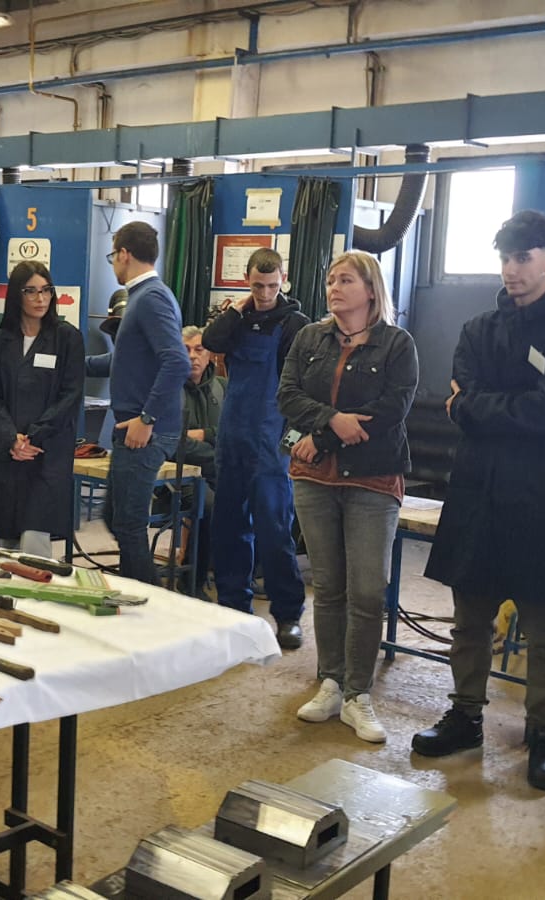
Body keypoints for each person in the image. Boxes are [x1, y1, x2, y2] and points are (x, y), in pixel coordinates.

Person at [412, 209, 545, 792]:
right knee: (470, 620)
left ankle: (543, 734)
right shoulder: (477, 330)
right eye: (505, 258)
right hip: (480, 488)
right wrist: (514, 410)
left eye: (523, 258)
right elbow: (518, 409)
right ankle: (465, 716)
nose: (511, 270)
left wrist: (479, 407)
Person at [279, 252, 419, 742]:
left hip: (372, 480)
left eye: (346, 280)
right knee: (329, 587)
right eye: (331, 279)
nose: (334, 288)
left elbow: (392, 408)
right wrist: (331, 421)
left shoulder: (397, 344)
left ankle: (359, 694)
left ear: (370, 290)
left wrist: (323, 435)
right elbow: (288, 395)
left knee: (366, 590)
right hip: (315, 480)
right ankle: (331, 682)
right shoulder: (309, 338)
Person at [200, 249, 312, 648]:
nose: (265, 294)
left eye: (271, 286)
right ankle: (234, 607)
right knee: (229, 526)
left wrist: (291, 444)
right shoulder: (238, 319)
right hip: (232, 436)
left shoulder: (296, 325)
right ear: (246, 282)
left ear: (284, 280)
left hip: (271, 441)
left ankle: (288, 614)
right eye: (257, 286)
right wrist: (238, 309)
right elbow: (210, 341)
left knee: (274, 529)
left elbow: (305, 390)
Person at [101, 222, 191, 585]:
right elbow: (127, 361)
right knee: (115, 518)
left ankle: (150, 603)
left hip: (144, 431)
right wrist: (71, 362)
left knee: (128, 525)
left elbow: (177, 362)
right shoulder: (144, 297)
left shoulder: (150, 297)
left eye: (113, 256)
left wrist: (147, 418)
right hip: (135, 427)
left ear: (124, 254)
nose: (113, 263)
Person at [0, 261, 84, 559]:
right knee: (5, 544)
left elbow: (70, 396)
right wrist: (11, 439)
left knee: (35, 541)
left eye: (46, 291)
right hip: (8, 454)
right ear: (17, 295)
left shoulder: (67, 338)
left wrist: (33, 438)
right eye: (31, 291)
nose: (40, 299)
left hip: (45, 453)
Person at [174, 325, 224, 595]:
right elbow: (171, 441)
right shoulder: (168, 389)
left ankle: (243, 572)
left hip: (218, 472)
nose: (192, 356)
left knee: (259, 493)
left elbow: (235, 431)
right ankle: (192, 581)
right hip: (177, 476)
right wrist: (216, 448)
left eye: (199, 349)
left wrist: (206, 433)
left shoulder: (223, 388)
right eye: (185, 350)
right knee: (210, 504)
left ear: (210, 355)